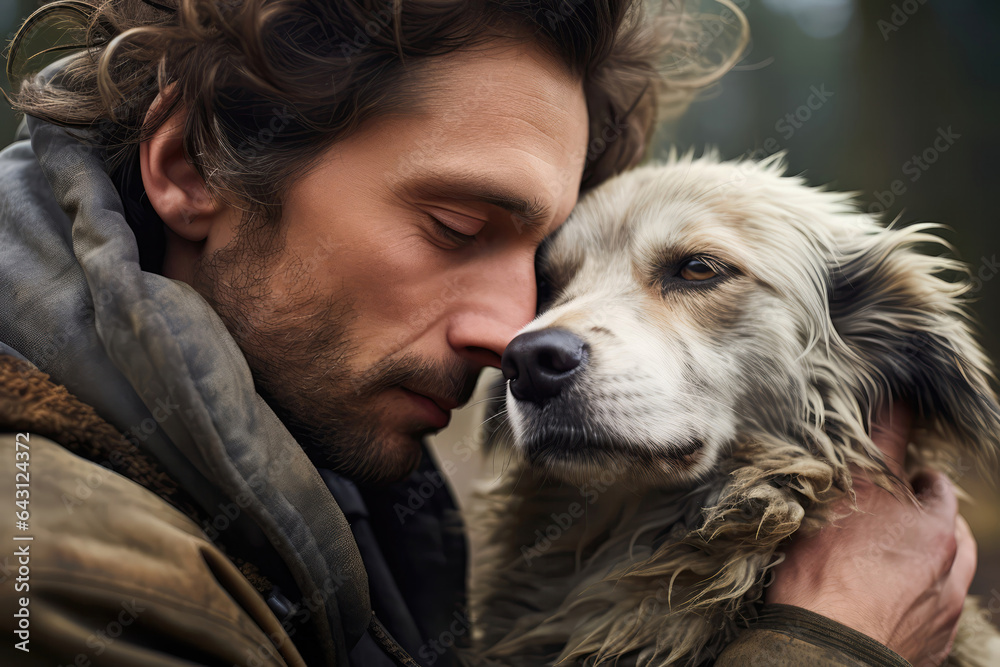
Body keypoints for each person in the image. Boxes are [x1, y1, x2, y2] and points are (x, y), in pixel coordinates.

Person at [0, 0, 976, 665]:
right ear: (192, 170)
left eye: (533, 262)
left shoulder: (333, 496)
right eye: (456, 228)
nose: (521, 331)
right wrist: (826, 638)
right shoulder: (54, 562)